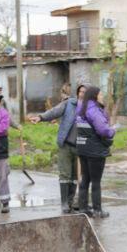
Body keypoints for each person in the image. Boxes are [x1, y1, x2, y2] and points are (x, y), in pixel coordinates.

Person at [31, 82, 86, 211]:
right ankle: (64, 203)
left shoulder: (90, 109)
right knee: (65, 174)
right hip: (66, 144)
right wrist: (41, 117)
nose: (82, 94)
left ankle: (71, 200)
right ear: (77, 93)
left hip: (81, 147)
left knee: (75, 176)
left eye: (85, 92)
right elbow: (54, 111)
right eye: (81, 91)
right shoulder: (69, 104)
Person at [73, 85, 117, 218]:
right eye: (101, 95)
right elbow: (103, 130)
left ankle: (83, 208)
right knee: (96, 181)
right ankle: (98, 210)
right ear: (94, 96)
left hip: (82, 147)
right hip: (95, 150)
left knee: (85, 178)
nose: (102, 97)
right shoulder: (94, 111)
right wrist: (113, 129)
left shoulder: (81, 109)